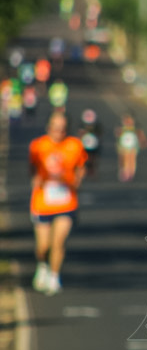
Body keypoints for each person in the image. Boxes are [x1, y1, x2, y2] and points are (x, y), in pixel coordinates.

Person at [29, 111, 88, 295]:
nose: (59, 131)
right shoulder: (38, 146)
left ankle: (55, 277)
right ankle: (42, 266)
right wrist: (36, 180)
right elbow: (32, 169)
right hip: (43, 202)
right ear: (48, 128)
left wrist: (78, 180)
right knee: (43, 246)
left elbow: (81, 167)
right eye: (55, 127)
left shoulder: (75, 145)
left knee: (59, 241)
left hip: (66, 202)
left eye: (62, 128)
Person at [115, 113, 147, 182]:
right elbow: (117, 134)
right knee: (124, 158)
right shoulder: (122, 129)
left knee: (131, 158)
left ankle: (131, 172)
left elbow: (141, 136)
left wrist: (143, 142)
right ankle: (124, 171)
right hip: (124, 145)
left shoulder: (135, 129)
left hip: (133, 146)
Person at [77, 108, 103, 177]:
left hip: (94, 146)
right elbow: (80, 134)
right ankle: (84, 170)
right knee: (84, 158)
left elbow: (99, 134)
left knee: (93, 158)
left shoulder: (97, 126)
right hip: (85, 145)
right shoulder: (82, 126)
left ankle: (92, 171)